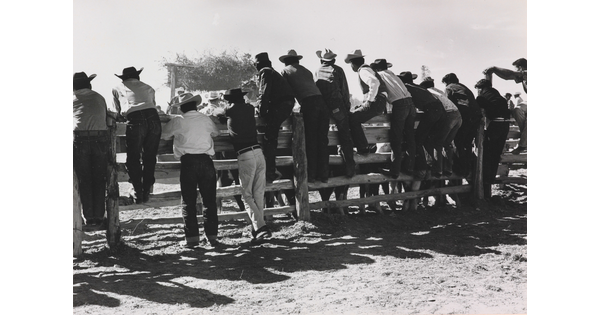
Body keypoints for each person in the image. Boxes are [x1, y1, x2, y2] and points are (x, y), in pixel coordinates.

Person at [161, 93, 220, 248]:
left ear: (181, 108)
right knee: (209, 200)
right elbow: (216, 133)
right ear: (196, 105)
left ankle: (192, 238)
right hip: (206, 160)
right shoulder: (205, 119)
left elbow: (165, 135)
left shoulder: (178, 121)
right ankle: (212, 236)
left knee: (189, 201)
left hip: (188, 161)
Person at [219, 88, 273, 241]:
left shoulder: (229, 110)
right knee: (258, 193)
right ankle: (258, 229)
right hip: (258, 152)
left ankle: (261, 227)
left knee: (247, 195)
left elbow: (221, 114)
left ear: (230, 100)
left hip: (245, 154)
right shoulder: (249, 108)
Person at [110, 66, 162, 204]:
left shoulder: (117, 88)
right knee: (150, 156)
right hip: (153, 117)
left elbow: (118, 112)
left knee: (133, 157)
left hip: (135, 118)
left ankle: (137, 191)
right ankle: (146, 190)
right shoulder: (149, 88)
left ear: (124, 78)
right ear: (137, 76)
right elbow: (153, 105)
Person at [280, 49, 330, 183]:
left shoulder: (285, 71)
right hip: (322, 102)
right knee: (322, 140)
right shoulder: (306, 70)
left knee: (311, 139)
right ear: (297, 60)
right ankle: (324, 174)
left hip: (308, 103)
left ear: (286, 61)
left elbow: (287, 92)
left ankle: (311, 175)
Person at [73, 72, 110, 227]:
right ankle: (99, 215)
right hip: (100, 138)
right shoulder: (99, 97)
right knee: (99, 178)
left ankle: (89, 216)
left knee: (85, 179)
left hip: (80, 139)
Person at [370, 59, 416, 178]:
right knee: (410, 136)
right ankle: (410, 167)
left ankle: (394, 170)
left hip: (399, 104)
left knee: (396, 138)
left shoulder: (378, 76)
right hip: (410, 103)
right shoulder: (393, 75)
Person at [254, 52, 295, 182]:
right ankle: (270, 169)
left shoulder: (265, 72)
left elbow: (264, 93)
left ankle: (270, 171)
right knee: (271, 133)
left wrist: (261, 110)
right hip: (284, 104)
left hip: (280, 104)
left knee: (269, 136)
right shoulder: (272, 72)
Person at [314, 48, 356, 178]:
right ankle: (350, 167)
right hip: (337, 105)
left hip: (322, 107)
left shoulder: (316, 71)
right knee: (345, 136)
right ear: (333, 60)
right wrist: (346, 108)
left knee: (322, 138)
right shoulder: (337, 69)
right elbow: (344, 90)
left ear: (321, 60)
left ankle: (324, 172)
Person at [398, 71, 446, 179]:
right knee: (429, 140)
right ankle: (435, 168)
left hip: (431, 110)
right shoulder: (417, 87)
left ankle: (421, 168)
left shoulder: (405, 88)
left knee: (418, 140)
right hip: (440, 110)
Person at [344, 50, 387, 154]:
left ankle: (363, 148)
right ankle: (367, 145)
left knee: (353, 118)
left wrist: (369, 101)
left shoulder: (363, 70)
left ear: (353, 63)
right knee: (356, 114)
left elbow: (374, 82)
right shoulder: (368, 69)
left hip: (376, 101)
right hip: (379, 101)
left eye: (351, 64)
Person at [474, 79, 511, 200]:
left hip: (495, 124)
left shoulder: (482, 97)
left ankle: (485, 182)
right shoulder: (498, 96)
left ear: (481, 88)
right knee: (496, 155)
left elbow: (478, 112)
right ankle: (490, 180)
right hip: (505, 125)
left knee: (487, 154)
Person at [441, 72, 482, 177]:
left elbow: (447, 104)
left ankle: (460, 170)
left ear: (447, 82)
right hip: (475, 118)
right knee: (467, 144)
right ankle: (468, 169)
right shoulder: (465, 88)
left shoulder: (449, 88)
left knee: (458, 143)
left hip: (463, 118)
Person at [419, 77, 462, 177]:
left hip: (448, 116)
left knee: (437, 143)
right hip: (457, 115)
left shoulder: (428, 93)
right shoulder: (438, 91)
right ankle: (448, 168)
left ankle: (437, 170)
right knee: (447, 142)